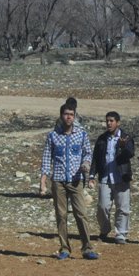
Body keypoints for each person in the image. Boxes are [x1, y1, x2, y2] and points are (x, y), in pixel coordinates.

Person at [40, 103, 99, 260]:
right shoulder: (53, 136)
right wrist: (43, 181)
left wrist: (86, 164)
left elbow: (88, 153)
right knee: (61, 215)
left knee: (81, 214)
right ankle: (64, 248)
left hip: (75, 180)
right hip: (58, 181)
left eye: (71, 114)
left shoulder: (82, 135)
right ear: (61, 115)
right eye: (66, 114)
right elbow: (46, 158)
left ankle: (87, 248)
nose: (68, 117)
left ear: (74, 116)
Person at [88, 112, 135, 244]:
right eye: (107, 121)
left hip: (121, 177)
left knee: (123, 208)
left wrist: (122, 147)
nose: (109, 123)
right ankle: (105, 229)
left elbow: (130, 153)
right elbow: (96, 159)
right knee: (102, 207)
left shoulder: (126, 137)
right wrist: (92, 175)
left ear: (118, 122)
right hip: (105, 178)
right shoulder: (102, 139)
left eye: (112, 121)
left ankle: (121, 234)